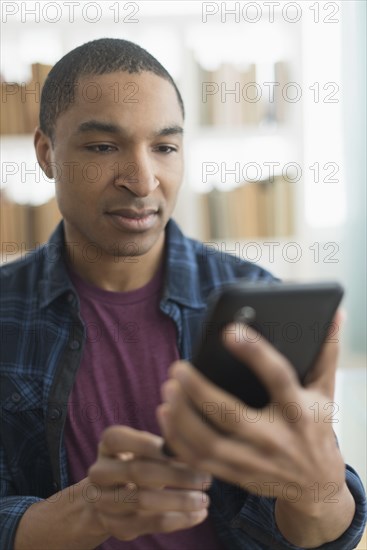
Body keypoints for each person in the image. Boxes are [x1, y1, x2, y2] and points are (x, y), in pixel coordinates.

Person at [0, 38, 366, 550]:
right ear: (46, 153)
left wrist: (320, 491)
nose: (143, 179)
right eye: (103, 147)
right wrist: (85, 511)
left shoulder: (257, 302)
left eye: (165, 147)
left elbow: (320, 533)